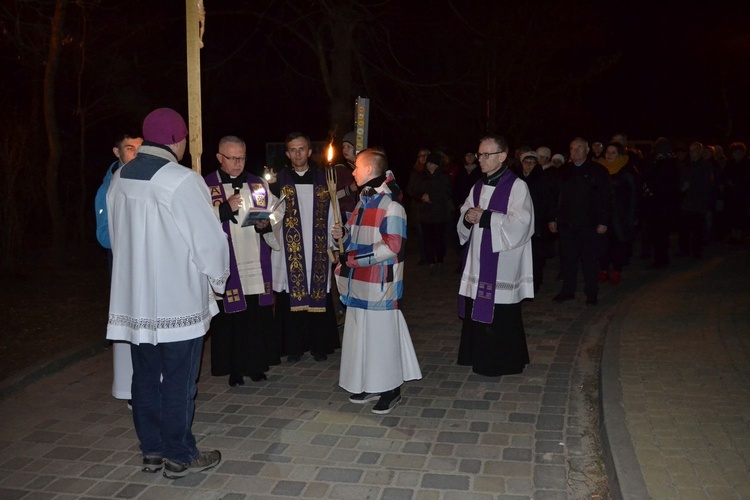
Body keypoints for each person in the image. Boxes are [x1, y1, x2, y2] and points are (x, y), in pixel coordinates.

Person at [106, 108, 229, 478]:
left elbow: (116, 234)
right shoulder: (181, 179)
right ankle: (180, 454)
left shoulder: (120, 177)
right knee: (178, 379)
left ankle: (152, 450)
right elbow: (207, 240)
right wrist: (219, 280)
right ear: (179, 140)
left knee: (144, 377)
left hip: (137, 300)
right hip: (177, 298)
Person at [332, 148, 422, 414]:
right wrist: (344, 232)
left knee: (382, 339)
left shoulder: (392, 204)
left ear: (370, 170)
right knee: (364, 337)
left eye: (357, 167)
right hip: (360, 281)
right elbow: (358, 235)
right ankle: (373, 383)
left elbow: (392, 246)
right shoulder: (364, 201)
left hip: (381, 285)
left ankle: (391, 389)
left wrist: (352, 258)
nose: (353, 172)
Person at [205, 136, 283, 387]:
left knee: (255, 317)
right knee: (232, 321)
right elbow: (196, 221)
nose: (238, 163)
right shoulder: (207, 186)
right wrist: (223, 210)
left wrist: (266, 224)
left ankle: (257, 365)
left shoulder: (257, 184)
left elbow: (276, 211)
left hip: (255, 264)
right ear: (219, 158)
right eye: (232, 158)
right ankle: (234, 370)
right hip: (227, 266)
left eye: (242, 158)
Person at [457, 135, 534, 377]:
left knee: (501, 312)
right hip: (478, 258)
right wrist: (468, 215)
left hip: (503, 260)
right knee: (476, 305)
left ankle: (503, 362)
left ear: (502, 156)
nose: (480, 159)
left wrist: (487, 217)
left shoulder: (517, 186)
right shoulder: (478, 185)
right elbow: (466, 208)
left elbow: (523, 222)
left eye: (486, 155)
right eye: (479, 154)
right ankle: (478, 357)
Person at [270, 132, 340, 363]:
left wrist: (335, 240)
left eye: (302, 149)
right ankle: (294, 346)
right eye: (293, 149)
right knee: (291, 295)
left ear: (310, 152)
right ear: (287, 153)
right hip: (289, 251)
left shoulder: (324, 179)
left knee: (319, 292)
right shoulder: (277, 181)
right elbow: (269, 215)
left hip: (318, 249)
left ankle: (319, 345)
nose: (298, 153)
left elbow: (334, 213)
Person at [94, 133, 142, 410]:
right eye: (129, 148)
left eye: (140, 148)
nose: (135, 154)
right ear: (117, 151)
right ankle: (130, 389)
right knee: (127, 330)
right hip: (124, 271)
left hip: (147, 268)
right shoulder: (107, 188)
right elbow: (103, 235)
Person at [549, 137, 611, 306]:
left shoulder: (598, 171)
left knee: (589, 261)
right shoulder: (563, 171)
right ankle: (568, 291)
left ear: (587, 149)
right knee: (567, 260)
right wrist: (552, 218)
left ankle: (591, 292)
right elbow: (554, 196)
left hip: (588, 225)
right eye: (572, 149)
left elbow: (604, 199)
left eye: (579, 148)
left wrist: (603, 221)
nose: (575, 152)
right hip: (566, 224)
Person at [596, 142, 638, 285]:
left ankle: (616, 271)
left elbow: (633, 196)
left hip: (620, 216)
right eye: (607, 152)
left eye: (613, 152)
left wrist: (631, 216)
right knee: (602, 244)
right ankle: (603, 270)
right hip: (602, 215)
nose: (609, 155)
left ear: (619, 154)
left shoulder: (627, 171)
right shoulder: (599, 169)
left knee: (618, 245)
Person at [514, 150, 555, 293]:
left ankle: (534, 283)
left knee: (535, 256)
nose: (529, 165)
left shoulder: (542, 178)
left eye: (532, 163)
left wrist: (549, 219)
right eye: (526, 162)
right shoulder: (516, 178)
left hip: (536, 222)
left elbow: (548, 200)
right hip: (518, 221)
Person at [413, 152, 452, 274]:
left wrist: (432, 197)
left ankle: (440, 261)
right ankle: (431, 262)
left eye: (431, 163)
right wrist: (421, 197)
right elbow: (415, 191)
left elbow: (447, 193)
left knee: (439, 239)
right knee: (427, 239)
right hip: (426, 214)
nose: (429, 165)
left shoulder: (443, 177)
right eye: (428, 163)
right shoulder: (422, 177)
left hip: (439, 214)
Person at [677, 142, 714, 259]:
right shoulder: (686, 165)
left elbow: (706, 184)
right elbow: (681, 179)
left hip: (699, 203)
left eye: (694, 150)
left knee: (698, 229)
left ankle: (696, 250)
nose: (692, 153)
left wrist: (690, 186)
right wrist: (682, 187)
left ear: (700, 151)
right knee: (684, 229)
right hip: (686, 202)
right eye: (691, 150)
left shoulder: (706, 165)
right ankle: (684, 250)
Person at [406, 148, 430, 265]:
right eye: (421, 155)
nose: (423, 158)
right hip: (418, 208)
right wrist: (419, 197)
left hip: (431, 208)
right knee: (421, 234)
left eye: (425, 155)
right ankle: (424, 257)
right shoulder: (415, 172)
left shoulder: (432, 172)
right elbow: (410, 189)